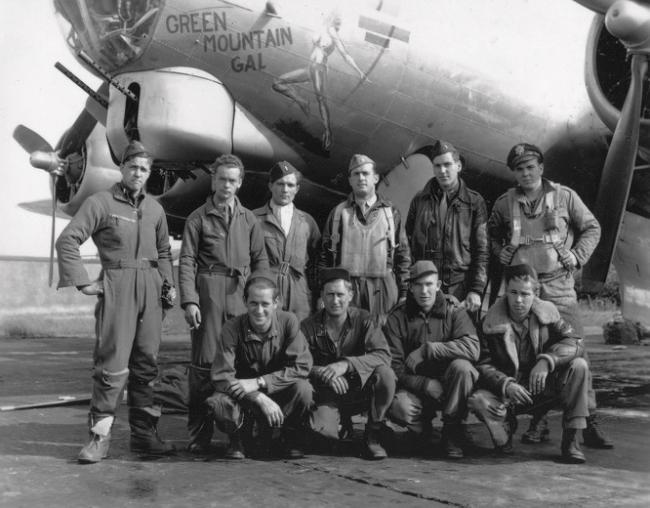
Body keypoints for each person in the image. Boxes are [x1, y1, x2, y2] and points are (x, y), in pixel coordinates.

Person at [56, 140, 175, 463]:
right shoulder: (101, 202)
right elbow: (68, 239)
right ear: (122, 169)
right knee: (111, 365)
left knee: (147, 366)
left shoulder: (155, 209)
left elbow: (164, 251)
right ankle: (99, 438)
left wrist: (169, 286)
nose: (138, 173)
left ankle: (144, 435)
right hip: (118, 287)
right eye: (133, 167)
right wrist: (82, 281)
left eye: (144, 169)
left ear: (150, 174)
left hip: (151, 290)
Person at [487, 143, 611, 449]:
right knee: (528, 354)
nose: (526, 173)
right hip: (523, 292)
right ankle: (538, 421)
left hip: (558, 288)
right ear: (514, 173)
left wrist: (577, 256)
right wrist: (498, 251)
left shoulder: (564, 196)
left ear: (541, 168)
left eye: (531, 167)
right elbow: (487, 234)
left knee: (575, 352)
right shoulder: (505, 203)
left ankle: (588, 423)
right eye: (519, 168)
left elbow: (592, 227)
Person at [179, 154, 269, 454]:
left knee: (241, 361)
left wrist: (260, 299)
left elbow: (260, 261)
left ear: (240, 183)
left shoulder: (250, 220)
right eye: (221, 179)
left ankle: (237, 436)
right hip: (209, 291)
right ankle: (199, 434)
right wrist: (190, 301)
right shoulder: (198, 218)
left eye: (233, 180)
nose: (226, 185)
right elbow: (188, 260)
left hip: (241, 292)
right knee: (204, 364)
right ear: (213, 179)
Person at [468, 264, 594, 463]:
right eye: (513, 292)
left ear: (535, 293)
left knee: (579, 366)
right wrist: (506, 384)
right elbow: (482, 364)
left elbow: (575, 342)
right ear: (506, 292)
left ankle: (571, 441)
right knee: (479, 400)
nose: (518, 300)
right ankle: (505, 430)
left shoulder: (549, 315)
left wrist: (547, 360)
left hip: (542, 388)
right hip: (510, 394)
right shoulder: (489, 322)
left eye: (525, 294)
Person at [207, 273, 314, 459]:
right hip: (244, 395)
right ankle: (237, 438)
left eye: (265, 304)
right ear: (244, 301)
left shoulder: (288, 322)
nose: (259, 310)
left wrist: (260, 382)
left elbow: (302, 366)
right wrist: (258, 396)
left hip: (277, 392)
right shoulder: (231, 328)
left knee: (303, 389)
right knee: (219, 402)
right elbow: (222, 376)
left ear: (276, 303)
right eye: (253, 303)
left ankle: (288, 436)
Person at [383, 260, 480, 458]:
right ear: (410, 287)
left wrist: (429, 349)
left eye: (429, 284)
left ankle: (451, 430)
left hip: (449, 387)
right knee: (399, 406)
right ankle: (422, 429)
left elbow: (473, 347)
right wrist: (425, 384)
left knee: (464, 368)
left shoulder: (454, 310)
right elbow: (394, 365)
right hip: (415, 388)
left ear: (438, 285)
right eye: (418, 285)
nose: (424, 291)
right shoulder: (397, 317)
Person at [301, 268, 396, 459]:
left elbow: (383, 354)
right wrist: (321, 372)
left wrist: (346, 364)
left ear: (351, 295)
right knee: (324, 437)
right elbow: (297, 363)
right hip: (327, 393)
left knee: (385, 374)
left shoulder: (364, 319)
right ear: (321, 296)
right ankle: (340, 425)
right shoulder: (308, 326)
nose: (335, 301)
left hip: (358, 391)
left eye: (340, 295)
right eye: (330, 295)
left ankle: (373, 434)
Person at [319, 154, 411, 325]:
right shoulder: (339, 213)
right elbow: (325, 256)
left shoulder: (391, 213)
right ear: (350, 180)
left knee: (382, 338)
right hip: (347, 289)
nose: (361, 178)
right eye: (356, 174)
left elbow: (403, 256)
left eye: (366, 174)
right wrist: (322, 293)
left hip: (382, 288)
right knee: (348, 336)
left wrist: (404, 293)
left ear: (375, 178)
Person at [406, 140, 488, 315]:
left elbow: (482, 251)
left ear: (458, 166)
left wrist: (476, 290)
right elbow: (407, 245)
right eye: (437, 166)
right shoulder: (420, 200)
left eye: (447, 165)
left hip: (459, 289)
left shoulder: (474, 202)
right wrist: (406, 285)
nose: (442, 171)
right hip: (424, 286)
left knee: (459, 338)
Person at [272, 10, 368, 151]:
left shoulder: (332, 33)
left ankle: (328, 131)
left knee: (321, 100)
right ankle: (301, 101)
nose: (338, 22)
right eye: (337, 19)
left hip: (319, 68)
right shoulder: (321, 28)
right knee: (277, 82)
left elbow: (345, 54)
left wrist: (360, 72)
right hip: (310, 68)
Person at [253, 161, 321, 321]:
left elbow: (318, 258)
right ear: (270, 186)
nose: (285, 189)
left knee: (298, 339)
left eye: (290, 185)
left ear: (297, 188)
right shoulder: (254, 219)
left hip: (299, 291)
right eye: (280, 184)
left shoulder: (307, 221)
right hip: (266, 289)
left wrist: (315, 291)